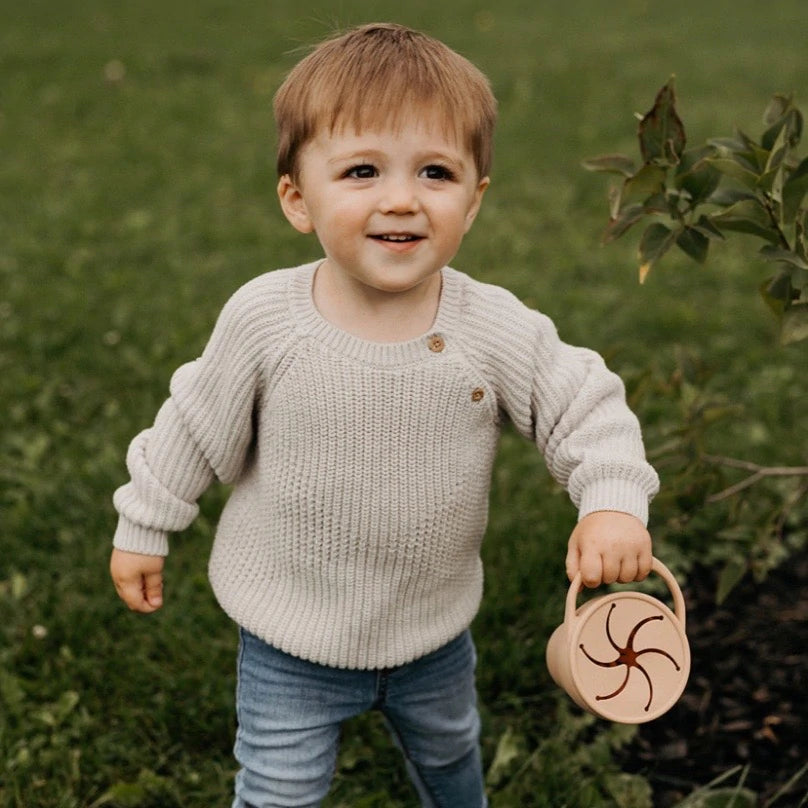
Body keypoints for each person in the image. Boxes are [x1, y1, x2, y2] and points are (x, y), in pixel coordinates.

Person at [109, 22, 659, 808]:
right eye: (362, 170)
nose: (400, 198)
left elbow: (584, 403)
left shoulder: (489, 328)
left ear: (472, 202)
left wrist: (610, 503)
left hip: (432, 633)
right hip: (290, 638)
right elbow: (193, 427)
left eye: (435, 172)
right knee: (278, 789)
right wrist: (144, 523)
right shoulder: (267, 320)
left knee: (450, 756)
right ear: (298, 199)